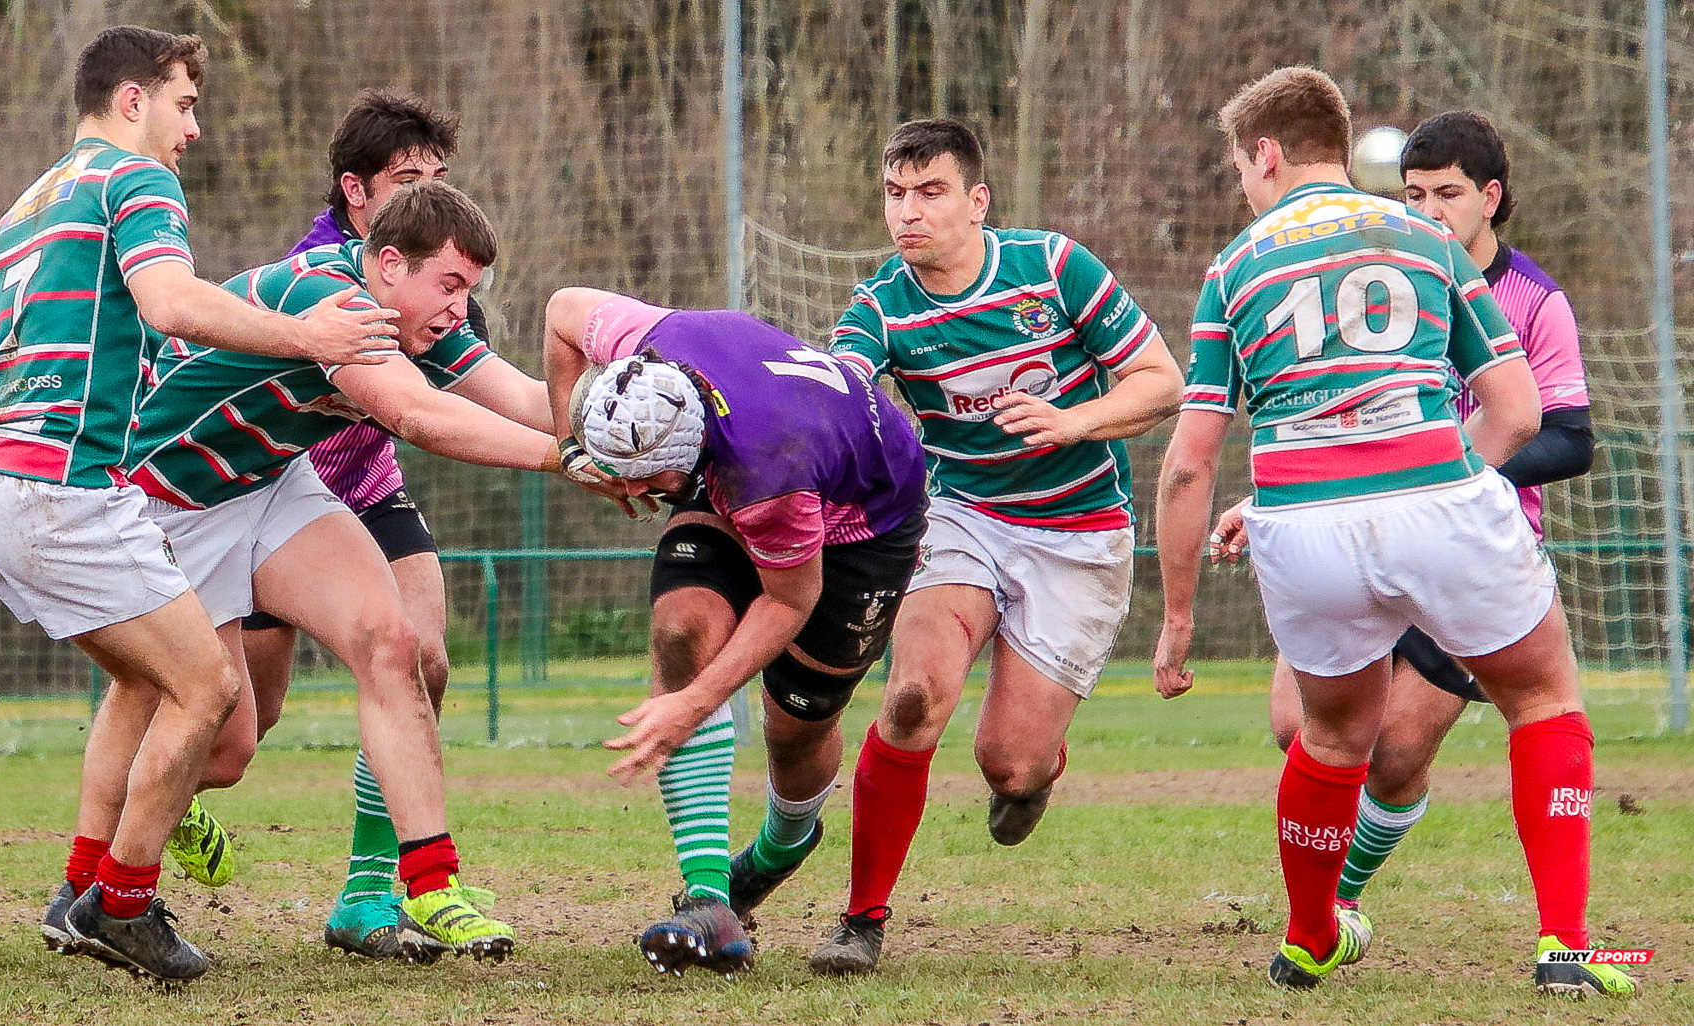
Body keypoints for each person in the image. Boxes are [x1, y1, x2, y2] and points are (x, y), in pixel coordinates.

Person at [1153, 66, 1634, 998]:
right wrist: (1448, 483)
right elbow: (1517, 412)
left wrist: (1177, 619)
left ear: (1266, 153)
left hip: (1302, 525)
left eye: (1238, 167)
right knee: (1543, 698)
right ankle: (1565, 950)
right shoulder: (1425, 237)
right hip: (1436, 503)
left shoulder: (1234, 266)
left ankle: (1307, 941)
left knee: (1331, 739)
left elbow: (1186, 464)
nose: (1242, 186)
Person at [0, 25, 394, 981]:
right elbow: (170, 301)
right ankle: (123, 904)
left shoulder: (27, 206)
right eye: (184, 103)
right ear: (130, 101)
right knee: (210, 690)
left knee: (150, 684)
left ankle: (82, 889)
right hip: (60, 493)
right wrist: (299, 331)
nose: (192, 128)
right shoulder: (134, 180)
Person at [811, 118, 1184, 974]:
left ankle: (1037, 769)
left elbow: (1162, 381)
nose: (909, 212)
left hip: (1079, 533)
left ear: (977, 201)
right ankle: (861, 921)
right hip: (964, 517)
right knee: (912, 696)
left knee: (1006, 764)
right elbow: (847, 387)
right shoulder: (881, 304)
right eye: (895, 195)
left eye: (931, 192)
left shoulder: (1053, 268)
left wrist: (1070, 421)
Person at [203, 89, 553, 961]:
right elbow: (423, 411)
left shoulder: (435, 273)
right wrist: (568, 457)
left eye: (438, 177)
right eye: (407, 178)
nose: (426, 192)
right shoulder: (332, 280)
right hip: (268, 494)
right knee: (239, 729)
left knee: (418, 657)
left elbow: (507, 392)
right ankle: (141, 822)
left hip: (370, 493)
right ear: (356, 195)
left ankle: (372, 894)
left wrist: (624, 421)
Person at [1242, 110, 1595, 927]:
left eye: (1447, 194)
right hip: (1361, 532)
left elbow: (1570, 438)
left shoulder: (1536, 302)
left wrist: (1451, 469)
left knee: (1395, 756)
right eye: (1413, 193)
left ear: (1490, 197)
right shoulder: (1380, 279)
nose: (1429, 210)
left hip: (1471, 546)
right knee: (1297, 726)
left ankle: (1342, 902)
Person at [543, 286, 929, 977]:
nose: (640, 491)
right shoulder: (651, 349)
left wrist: (691, 705)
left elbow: (790, 599)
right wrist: (571, 448)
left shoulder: (763, 468)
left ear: (685, 451)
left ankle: (782, 846)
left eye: (646, 480)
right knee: (683, 630)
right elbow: (561, 310)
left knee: (796, 727)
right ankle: (711, 901)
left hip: (866, 521)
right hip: (751, 452)